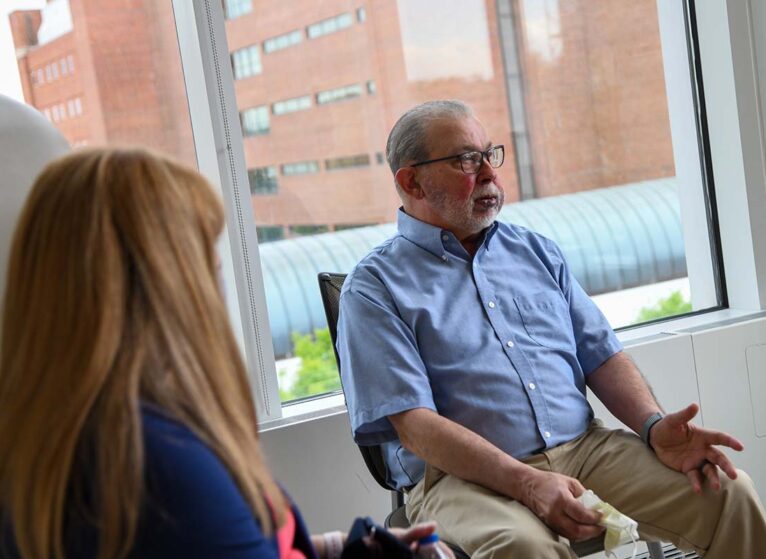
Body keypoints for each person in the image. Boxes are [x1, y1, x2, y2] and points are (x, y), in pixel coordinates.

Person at [336, 99, 766, 559]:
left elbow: (602, 355)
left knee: (727, 493)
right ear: (410, 180)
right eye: (465, 159)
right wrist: (527, 483)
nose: (489, 174)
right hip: (461, 480)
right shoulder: (373, 289)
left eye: (490, 154)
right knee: (522, 547)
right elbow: (416, 428)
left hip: (585, 448)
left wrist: (653, 426)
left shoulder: (535, 252)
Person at [0, 147, 449, 559]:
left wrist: (336, 550)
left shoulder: (57, 427)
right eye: (201, 252)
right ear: (162, 283)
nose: (216, 271)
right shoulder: (160, 466)